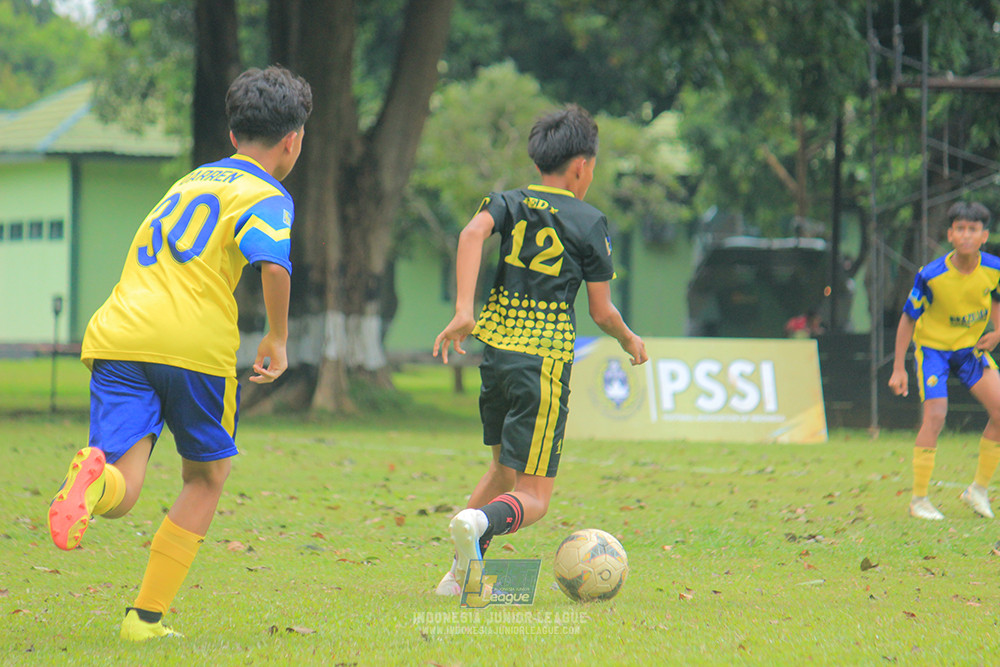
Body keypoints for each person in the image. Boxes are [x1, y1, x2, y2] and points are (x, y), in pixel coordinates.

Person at [46, 66, 312, 640]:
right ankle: (144, 620)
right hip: (192, 348)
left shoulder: (188, 182)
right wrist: (276, 337)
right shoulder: (268, 194)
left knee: (122, 482)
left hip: (119, 334)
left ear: (234, 135)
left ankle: (91, 485)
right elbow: (273, 262)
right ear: (291, 141)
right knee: (207, 476)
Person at [431, 104, 648, 595]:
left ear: (538, 164)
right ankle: (479, 526)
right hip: (543, 361)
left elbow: (471, 233)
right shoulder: (591, 221)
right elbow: (601, 311)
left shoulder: (508, 201)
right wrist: (629, 338)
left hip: (497, 356)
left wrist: (465, 309)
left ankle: (458, 575)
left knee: (502, 470)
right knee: (534, 495)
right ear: (582, 167)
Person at [888, 201, 1000, 521]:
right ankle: (919, 500)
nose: (966, 235)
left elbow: (997, 298)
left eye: (973, 229)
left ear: (984, 235)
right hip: (934, 351)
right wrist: (898, 368)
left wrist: (997, 332)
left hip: (970, 351)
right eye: (960, 229)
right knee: (936, 416)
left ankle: (977, 490)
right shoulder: (931, 275)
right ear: (950, 235)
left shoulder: (993, 268)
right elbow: (908, 319)